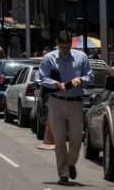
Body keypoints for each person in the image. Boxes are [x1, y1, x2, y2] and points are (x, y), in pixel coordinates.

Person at [39, 31, 93, 186]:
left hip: (75, 103)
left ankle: (71, 163)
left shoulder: (81, 58)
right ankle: (63, 174)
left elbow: (90, 76)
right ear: (57, 43)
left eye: (68, 48)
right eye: (63, 48)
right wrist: (57, 84)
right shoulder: (49, 58)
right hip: (56, 102)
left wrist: (80, 79)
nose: (65, 51)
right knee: (60, 141)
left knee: (76, 139)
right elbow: (43, 78)